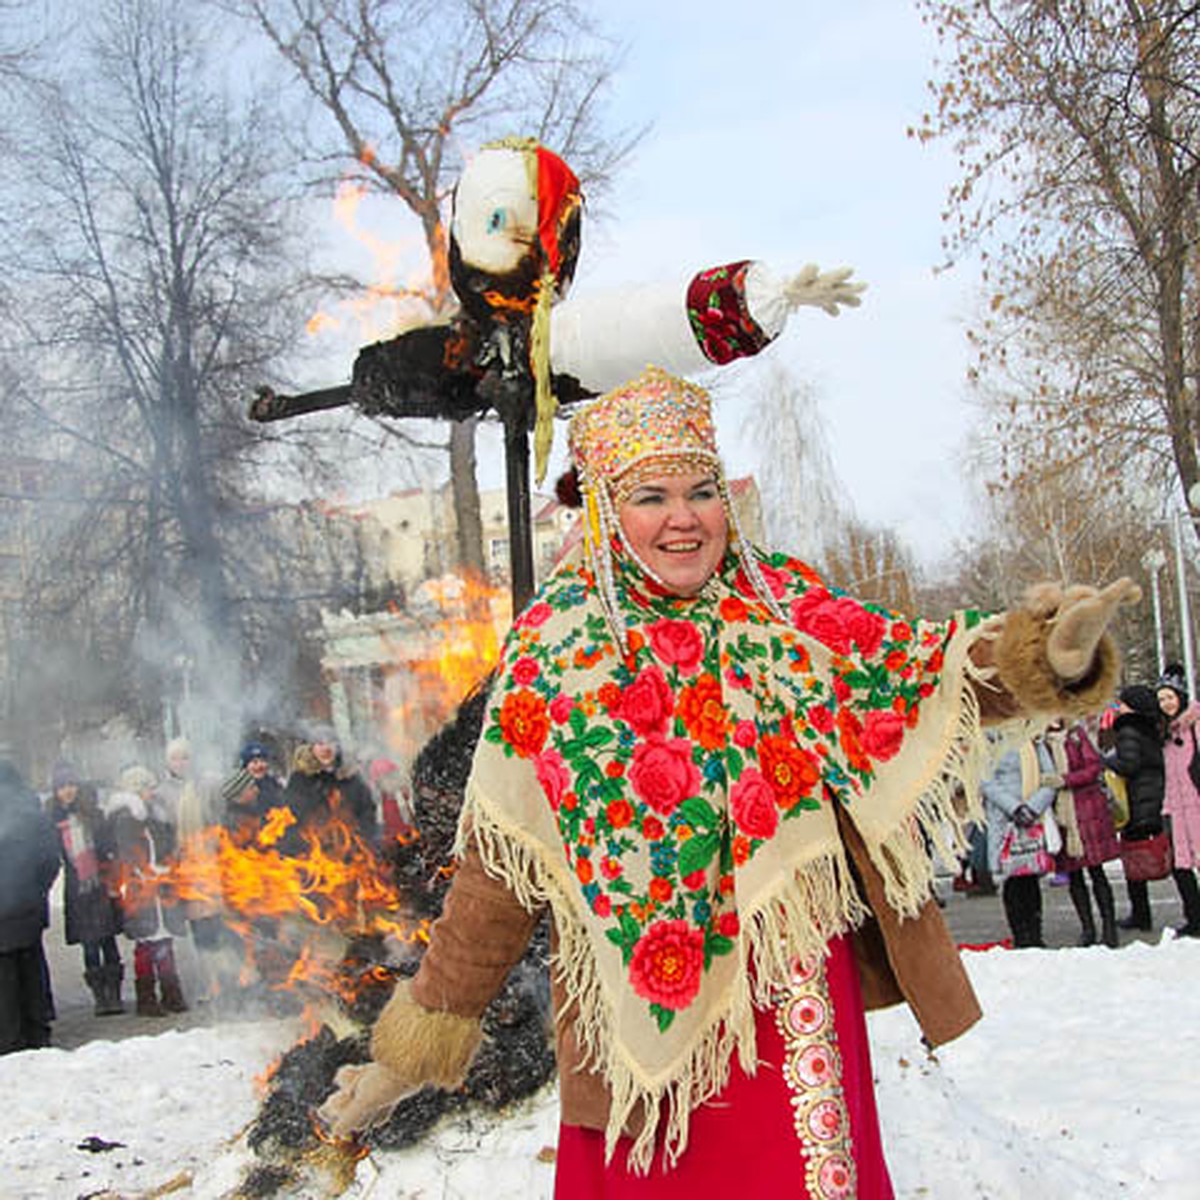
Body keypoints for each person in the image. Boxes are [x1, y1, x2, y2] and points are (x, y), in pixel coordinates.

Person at [318, 367, 1136, 1195]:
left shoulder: (782, 607)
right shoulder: (553, 653)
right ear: (604, 511)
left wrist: (1045, 658)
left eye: (701, 491)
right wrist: (408, 1054)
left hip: (789, 998)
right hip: (636, 1044)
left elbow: (908, 669)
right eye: (651, 497)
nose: (683, 518)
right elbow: (498, 877)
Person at [108, 764, 189, 1017]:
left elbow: (167, 846)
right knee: (146, 945)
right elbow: (127, 856)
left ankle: (171, 993)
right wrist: (144, 873)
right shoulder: (125, 820)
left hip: (161, 886)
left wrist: (168, 867)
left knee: (165, 941)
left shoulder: (156, 817)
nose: (150, 792)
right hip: (141, 890)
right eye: (145, 788)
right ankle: (147, 997)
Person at [45, 762, 126, 1014]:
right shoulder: (52, 823)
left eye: (70, 785)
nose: (66, 791)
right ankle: (100, 997)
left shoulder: (94, 815)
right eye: (61, 787)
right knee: (89, 944)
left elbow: (109, 848)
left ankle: (115, 994)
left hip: (100, 884)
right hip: (77, 889)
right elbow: (50, 856)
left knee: (108, 939)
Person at [0, 747, 61, 1054]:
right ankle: (39, 1032)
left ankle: (10, 1040)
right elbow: (51, 859)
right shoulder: (32, 814)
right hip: (28, 910)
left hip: (5, 914)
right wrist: (37, 892)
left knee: (5, 982)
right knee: (34, 971)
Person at [1044, 719, 1121, 947]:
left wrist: (1065, 780)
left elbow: (1093, 766)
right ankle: (1087, 928)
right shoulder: (1041, 742)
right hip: (1063, 816)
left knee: (1097, 872)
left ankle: (1109, 926)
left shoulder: (1076, 735)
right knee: (1074, 875)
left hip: (1088, 811)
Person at [981, 737, 1059, 948]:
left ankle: (1035, 933)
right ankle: (1020, 934)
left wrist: (1033, 807)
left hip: (1032, 816)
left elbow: (1050, 778)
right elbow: (985, 780)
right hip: (1004, 818)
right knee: (1012, 878)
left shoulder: (1034, 737)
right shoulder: (989, 736)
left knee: (1031, 878)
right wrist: (1014, 808)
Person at [1106, 685, 1168, 933]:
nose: (1118, 708)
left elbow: (1128, 764)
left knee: (1134, 861)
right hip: (1153, 795)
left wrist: (1106, 760)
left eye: (1122, 704)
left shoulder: (1128, 728)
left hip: (1137, 800)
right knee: (1158, 853)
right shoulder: (1152, 727)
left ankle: (1141, 915)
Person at [1154, 666, 1200, 936]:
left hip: (1196, 803)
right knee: (1180, 866)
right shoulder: (1166, 732)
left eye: (1170, 697)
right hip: (1176, 808)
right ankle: (1195, 918)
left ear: (1180, 696)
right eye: (1161, 699)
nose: (1166, 703)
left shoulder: (1195, 725)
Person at [282, 725, 378, 853]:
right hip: (312, 852)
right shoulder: (300, 778)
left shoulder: (351, 777)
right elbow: (292, 813)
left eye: (330, 743)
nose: (326, 748)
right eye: (320, 743)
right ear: (311, 748)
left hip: (350, 851)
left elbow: (366, 810)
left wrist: (361, 839)